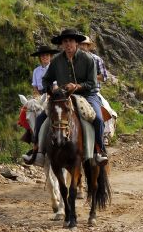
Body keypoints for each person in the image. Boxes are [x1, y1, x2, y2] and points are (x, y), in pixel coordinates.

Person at [35, 28, 107, 164]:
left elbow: (92, 83)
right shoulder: (56, 61)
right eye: (65, 41)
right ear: (61, 44)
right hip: (63, 96)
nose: (68, 44)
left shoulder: (88, 59)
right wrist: (52, 88)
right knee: (40, 118)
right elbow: (46, 80)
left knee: (98, 119)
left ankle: (99, 151)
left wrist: (77, 86)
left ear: (77, 43)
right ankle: (37, 151)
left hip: (87, 95)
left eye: (71, 41)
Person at [19, 45, 59, 146]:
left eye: (46, 55)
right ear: (40, 58)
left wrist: (49, 96)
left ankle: (57, 133)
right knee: (27, 110)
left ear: (50, 56)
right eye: (42, 56)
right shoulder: (36, 71)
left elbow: (55, 86)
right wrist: (37, 97)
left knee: (56, 111)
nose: (44, 57)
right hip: (40, 94)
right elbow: (35, 87)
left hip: (52, 94)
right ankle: (31, 134)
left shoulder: (55, 68)